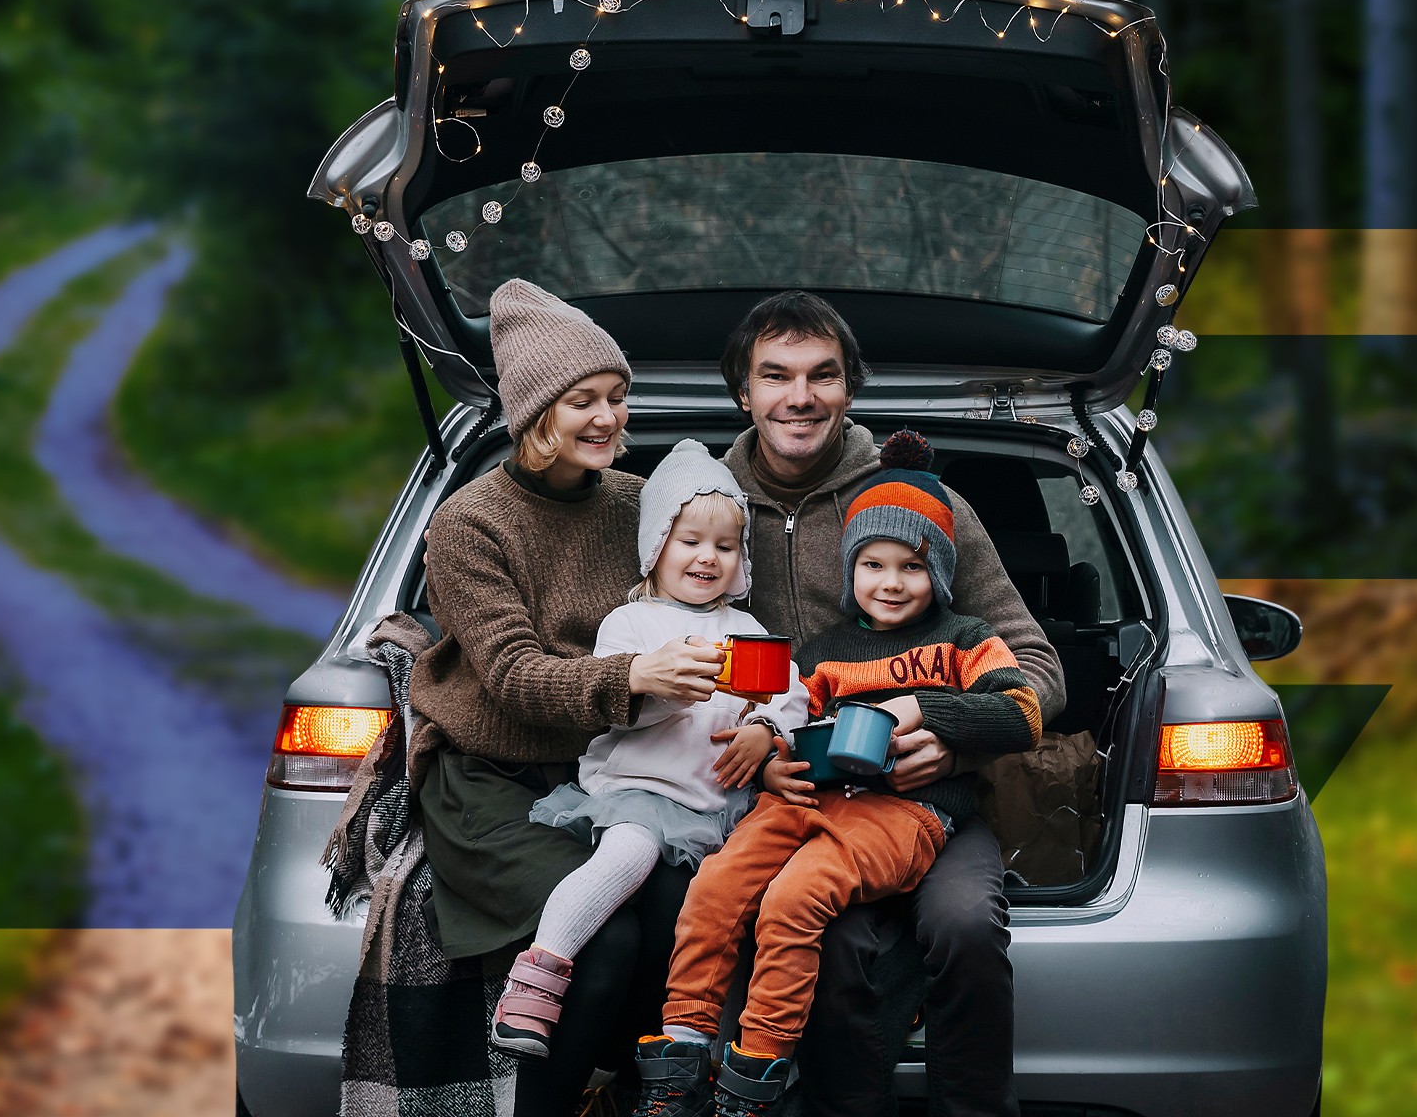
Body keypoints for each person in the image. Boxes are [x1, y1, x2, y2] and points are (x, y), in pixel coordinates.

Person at [345, 278, 731, 1115]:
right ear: (534, 413)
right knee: (605, 939)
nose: (609, 418)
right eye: (585, 400)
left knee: (677, 912)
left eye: (617, 398)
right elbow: (513, 677)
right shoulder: (469, 522)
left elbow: (722, 574)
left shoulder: (639, 506)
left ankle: (625, 1094)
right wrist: (630, 677)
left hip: (604, 775)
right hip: (490, 780)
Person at [716, 291, 1063, 1117]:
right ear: (744, 392)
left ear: (849, 388)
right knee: (827, 939)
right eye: (776, 376)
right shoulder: (703, 508)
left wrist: (951, 737)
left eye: (822, 376)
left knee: (966, 926)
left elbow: (1036, 669)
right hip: (797, 801)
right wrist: (762, 754)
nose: (799, 397)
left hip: (933, 800)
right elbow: (651, 651)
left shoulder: (913, 503)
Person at [629, 439, 1047, 1117]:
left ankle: (756, 1071)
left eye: (911, 566)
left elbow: (1022, 711)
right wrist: (770, 756)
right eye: (872, 564)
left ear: (938, 572)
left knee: (794, 898)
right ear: (849, 568)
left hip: (904, 813)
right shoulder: (823, 653)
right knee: (716, 884)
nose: (890, 581)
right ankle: (681, 1050)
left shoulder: (966, 638)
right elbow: (783, 716)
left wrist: (919, 708)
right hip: (813, 800)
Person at [489, 440, 807, 1058]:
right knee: (625, 861)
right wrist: (671, 688)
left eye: (724, 545)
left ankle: (702, 1051)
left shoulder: (747, 630)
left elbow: (789, 693)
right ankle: (537, 979)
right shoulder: (630, 625)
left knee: (725, 909)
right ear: (656, 545)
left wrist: (765, 730)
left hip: (715, 807)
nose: (707, 558)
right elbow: (618, 704)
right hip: (639, 792)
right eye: (689, 541)